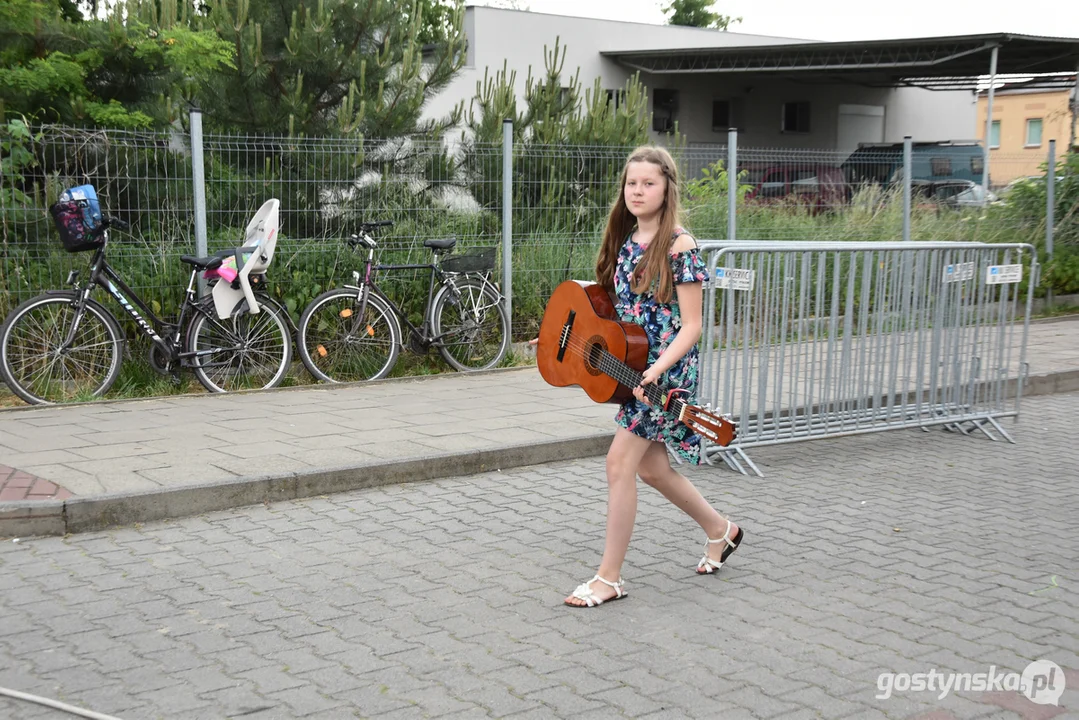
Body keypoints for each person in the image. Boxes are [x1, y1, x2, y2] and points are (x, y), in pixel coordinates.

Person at [563, 145, 744, 608]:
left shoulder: (680, 246)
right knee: (653, 469)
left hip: (665, 372)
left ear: (667, 189)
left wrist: (655, 372)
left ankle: (609, 578)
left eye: (649, 183)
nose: (638, 191)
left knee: (619, 464)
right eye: (632, 183)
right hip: (634, 366)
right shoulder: (626, 241)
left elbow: (693, 326)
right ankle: (721, 530)